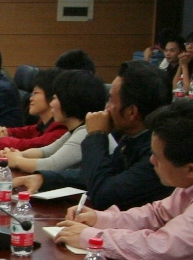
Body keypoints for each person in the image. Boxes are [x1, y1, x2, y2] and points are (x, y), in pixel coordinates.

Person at [54, 98, 193, 260]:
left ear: (190, 169)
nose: (151, 161)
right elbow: (158, 214)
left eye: (157, 157)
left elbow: (163, 247)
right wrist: (100, 219)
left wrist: (93, 238)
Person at [16, 60, 172, 211]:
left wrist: (96, 134)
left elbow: (104, 195)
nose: (106, 108)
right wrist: (44, 179)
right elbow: (93, 174)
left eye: (111, 100)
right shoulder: (132, 139)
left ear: (131, 112)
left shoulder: (157, 154)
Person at [0, 71, 106, 180]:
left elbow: (52, 165)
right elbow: (45, 151)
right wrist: (16, 154)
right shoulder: (77, 129)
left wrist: (17, 161)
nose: (51, 104)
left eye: (54, 98)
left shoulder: (87, 132)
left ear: (69, 101)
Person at [0, 68, 64, 150]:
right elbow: (29, 131)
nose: (31, 98)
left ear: (53, 97)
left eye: (36, 93)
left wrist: (1, 140)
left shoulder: (61, 129)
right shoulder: (44, 124)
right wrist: (4, 132)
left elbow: (31, 144)